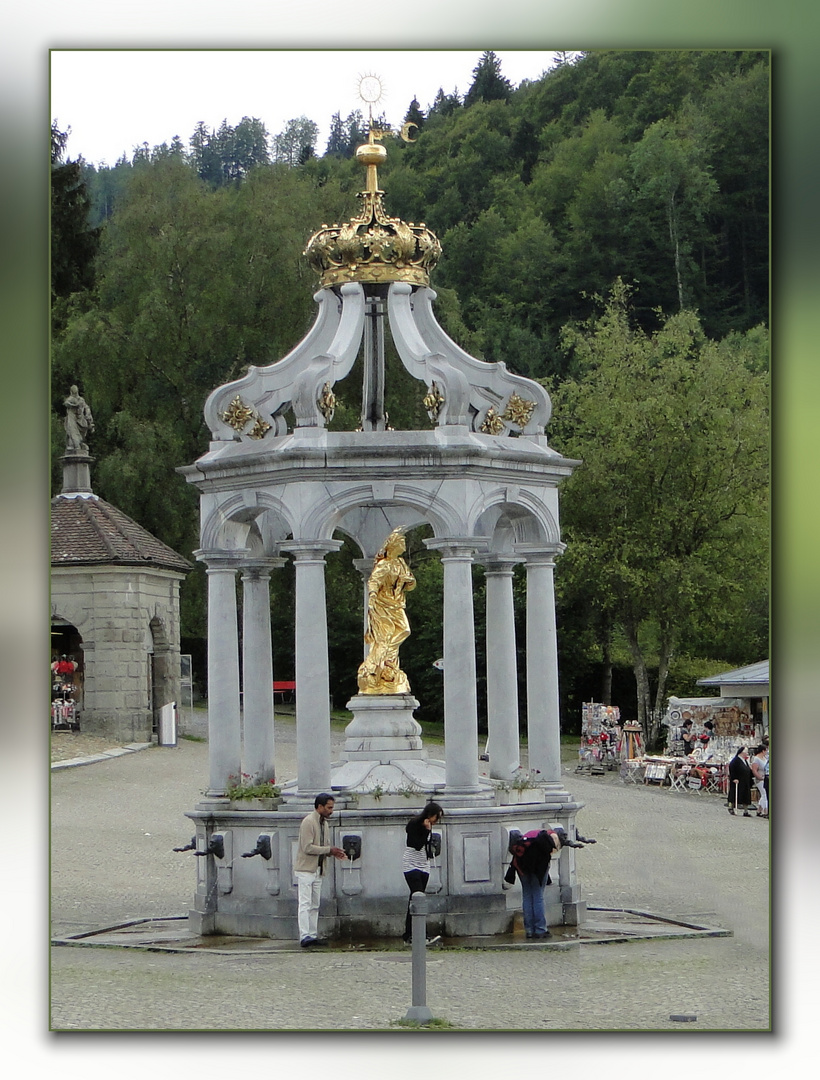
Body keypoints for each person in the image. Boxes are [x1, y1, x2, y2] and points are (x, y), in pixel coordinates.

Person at [357, 528, 416, 695]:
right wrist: (373, 597)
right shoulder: (384, 564)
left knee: (404, 630)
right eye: (401, 542)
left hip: (396, 603)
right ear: (393, 545)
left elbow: (411, 584)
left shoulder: (400, 563)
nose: (404, 544)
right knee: (384, 636)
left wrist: (408, 581)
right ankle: (381, 665)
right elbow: (374, 581)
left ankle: (387, 661)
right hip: (382, 603)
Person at [294, 793, 347, 947]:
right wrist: (329, 850)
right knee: (305, 903)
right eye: (329, 807)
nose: (331, 811)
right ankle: (305, 936)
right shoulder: (308, 822)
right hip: (306, 869)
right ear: (320, 807)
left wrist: (334, 853)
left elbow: (324, 847)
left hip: (318, 869)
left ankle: (312, 934)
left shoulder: (324, 823)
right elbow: (307, 847)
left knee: (315, 904)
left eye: (332, 808)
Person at [503, 827, 562, 939]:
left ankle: (529, 930)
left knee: (527, 895)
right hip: (536, 866)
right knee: (538, 895)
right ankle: (540, 929)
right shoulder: (552, 838)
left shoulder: (533, 834)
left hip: (521, 864)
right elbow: (547, 857)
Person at [401, 801, 444, 944]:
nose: (436, 822)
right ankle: (420, 935)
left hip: (423, 864)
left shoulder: (429, 827)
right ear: (430, 815)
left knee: (416, 898)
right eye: (436, 818)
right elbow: (417, 844)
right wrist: (426, 830)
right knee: (418, 897)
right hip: (411, 864)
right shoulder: (414, 825)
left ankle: (410, 934)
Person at [64, 385, 94, 453]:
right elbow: (66, 403)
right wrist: (74, 406)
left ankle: (78, 444)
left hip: (80, 420)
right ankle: (75, 445)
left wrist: (88, 416)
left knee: (81, 434)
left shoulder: (81, 400)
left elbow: (86, 408)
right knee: (72, 432)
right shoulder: (71, 398)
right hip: (72, 419)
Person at [727, 747, 753, 816]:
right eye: (746, 752)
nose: (747, 753)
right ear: (742, 752)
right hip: (738, 780)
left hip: (745, 781)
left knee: (745, 795)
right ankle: (731, 807)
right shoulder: (735, 760)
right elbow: (732, 769)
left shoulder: (745, 761)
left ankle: (745, 811)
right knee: (735, 794)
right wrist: (734, 778)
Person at [751, 745, 769, 818]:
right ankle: (765, 810)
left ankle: (759, 809)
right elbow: (754, 770)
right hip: (760, 778)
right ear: (763, 751)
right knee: (764, 794)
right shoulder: (756, 759)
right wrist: (758, 777)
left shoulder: (764, 758)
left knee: (764, 794)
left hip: (765, 777)